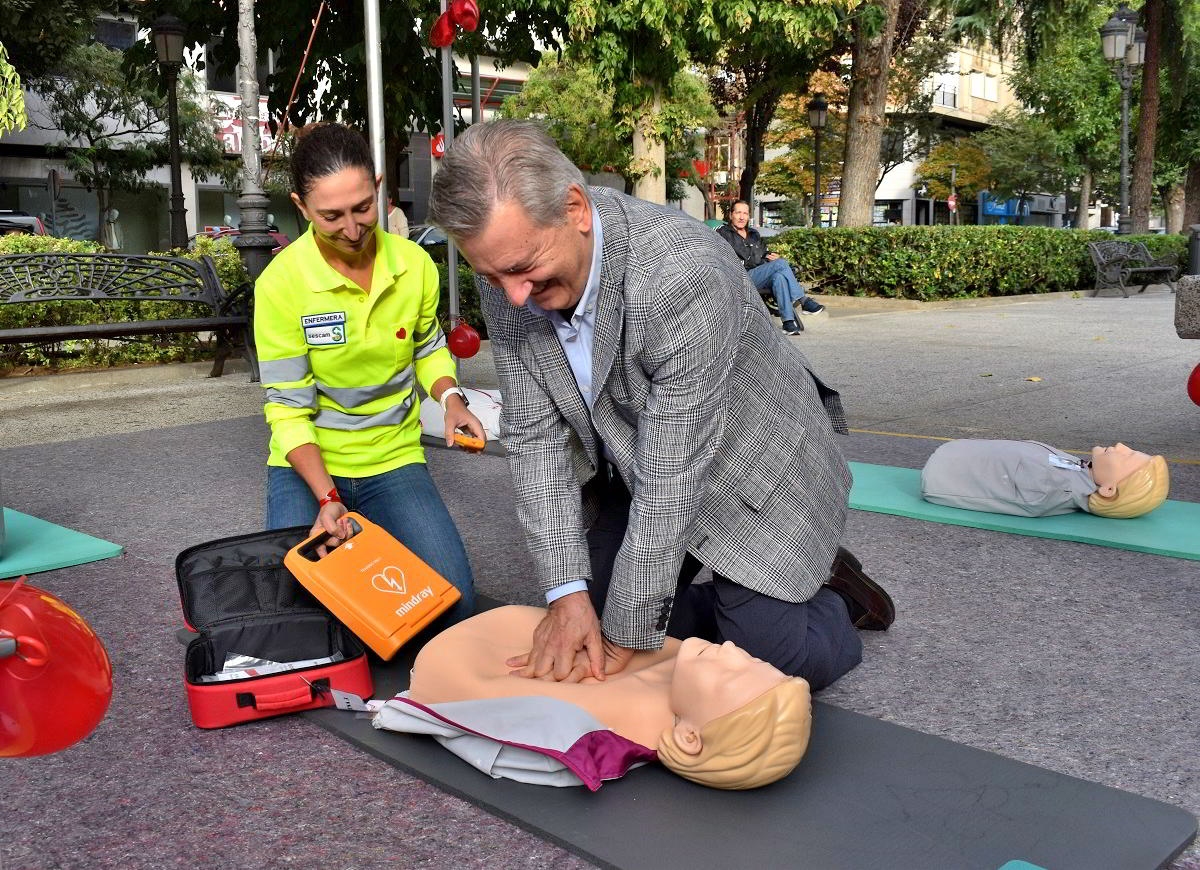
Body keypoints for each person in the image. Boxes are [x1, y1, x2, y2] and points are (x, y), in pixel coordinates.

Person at [427, 119, 893, 691]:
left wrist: (628, 631)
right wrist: (567, 594)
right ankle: (721, 604)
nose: (513, 297)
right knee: (587, 617)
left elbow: (673, 474)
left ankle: (833, 591)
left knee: (770, 663)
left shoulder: (678, 270)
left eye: (522, 270)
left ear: (574, 208)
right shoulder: (507, 267)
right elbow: (534, 440)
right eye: (491, 276)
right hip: (634, 464)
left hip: (755, 470)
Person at [254, 122, 483, 623]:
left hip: (393, 458)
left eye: (362, 208)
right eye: (330, 216)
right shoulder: (280, 285)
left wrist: (450, 399)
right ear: (300, 206)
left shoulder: (414, 264)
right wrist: (327, 497)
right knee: (293, 614)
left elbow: (428, 347)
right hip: (308, 465)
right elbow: (288, 410)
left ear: (378, 188)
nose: (353, 229)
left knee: (454, 605)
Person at [379, 604, 812, 790]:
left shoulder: (613, 720)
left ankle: (832, 609)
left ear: (689, 738)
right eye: (750, 661)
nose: (733, 650)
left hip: (463, 655)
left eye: (732, 674)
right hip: (487, 641)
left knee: (801, 648)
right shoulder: (684, 668)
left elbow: (481, 697)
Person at [921, 440, 1169, 519]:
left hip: (944, 470)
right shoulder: (1076, 472)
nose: (1121, 446)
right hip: (952, 457)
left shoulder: (1051, 488)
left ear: (1108, 490)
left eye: (1127, 456)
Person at [716, 200, 824, 336]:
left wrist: (770, 256)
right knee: (781, 264)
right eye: (738, 213)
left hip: (757, 275)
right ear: (731, 215)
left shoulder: (753, 234)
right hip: (739, 276)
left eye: (745, 213)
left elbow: (763, 253)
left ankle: (788, 323)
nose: (742, 217)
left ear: (749, 216)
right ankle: (804, 300)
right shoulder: (723, 233)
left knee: (779, 276)